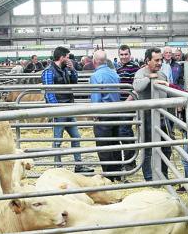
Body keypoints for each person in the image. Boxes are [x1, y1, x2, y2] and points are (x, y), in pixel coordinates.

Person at [42, 46, 92, 173]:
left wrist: (73, 69)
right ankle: (58, 168)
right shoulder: (49, 71)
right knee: (58, 140)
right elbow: (49, 93)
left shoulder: (66, 69)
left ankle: (78, 165)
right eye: (68, 57)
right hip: (60, 110)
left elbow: (74, 82)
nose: (69, 59)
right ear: (62, 57)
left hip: (69, 107)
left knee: (76, 137)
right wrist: (56, 109)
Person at [133, 47, 173, 181]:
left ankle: (163, 175)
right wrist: (149, 78)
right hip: (146, 117)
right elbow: (137, 87)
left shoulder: (162, 74)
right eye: (156, 60)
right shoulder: (140, 73)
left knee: (166, 148)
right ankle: (149, 178)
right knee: (148, 149)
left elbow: (168, 92)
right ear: (147, 60)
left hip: (162, 115)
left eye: (160, 60)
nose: (159, 62)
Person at [89, 50, 122, 180]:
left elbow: (96, 98)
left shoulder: (96, 76)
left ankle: (108, 176)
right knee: (115, 142)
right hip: (116, 112)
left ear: (94, 61)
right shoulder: (114, 74)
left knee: (103, 145)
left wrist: (95, 114)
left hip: (103, 113)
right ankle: (118, 172)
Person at [116, 45, 141, 170]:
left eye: (126, 54)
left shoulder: (135, 67)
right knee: (123, 131)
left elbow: (136, 88)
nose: (124, 57)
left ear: (130, 54)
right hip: (119, 103)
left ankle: (130, 161)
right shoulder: (118, 68)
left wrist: (126, 102)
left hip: (129, 103)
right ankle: (128, 159)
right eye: (122, 54)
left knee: (124, 131)